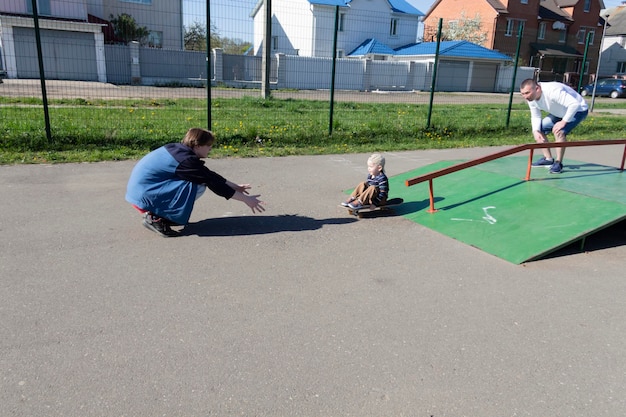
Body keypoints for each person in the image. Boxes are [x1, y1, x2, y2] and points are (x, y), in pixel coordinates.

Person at [126, 128, 265, 236]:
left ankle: (162, 215)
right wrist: (246, 199)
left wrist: (235, 186)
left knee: (200, 180)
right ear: (197, 146)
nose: (210, 148)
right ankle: (156, 218)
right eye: (208, 145)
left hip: (140, 193)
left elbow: (206, 173)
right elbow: (212, 183)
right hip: (144, 198)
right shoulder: (186, 162)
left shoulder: (179, 150)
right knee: (197, 185)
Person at [519, 78, 589, 174]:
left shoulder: (552, 91)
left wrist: (564, 121)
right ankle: (548, 159)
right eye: (522, 94)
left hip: (578, 110)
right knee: (540, 129)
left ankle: (558, 162)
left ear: (537, 88)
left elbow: (574, 104)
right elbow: (535, 115)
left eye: (527, 93)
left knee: (559, 131)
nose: (525, 97)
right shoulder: (531, 98)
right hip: (559, 112)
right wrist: (535, 131)